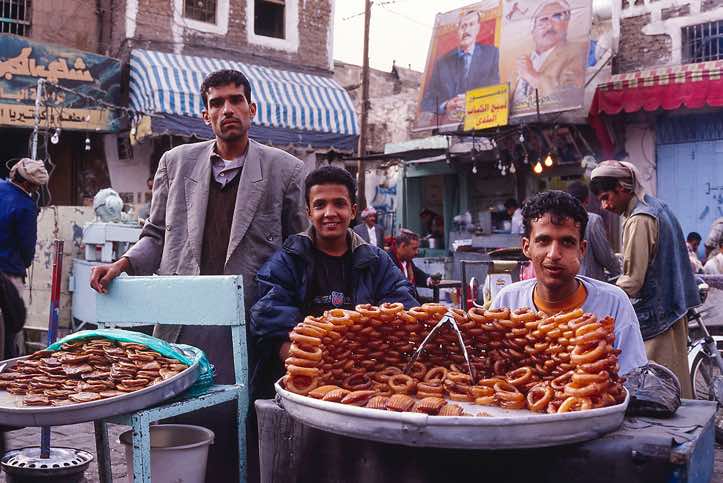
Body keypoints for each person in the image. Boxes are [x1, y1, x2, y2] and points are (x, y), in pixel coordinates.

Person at [89, 69, 308, 482]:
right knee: (178, 413)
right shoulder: (176, 163)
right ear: (204, 114)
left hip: (250, 322)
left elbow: (298, 251)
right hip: (184, 319)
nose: (228, 109)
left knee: (237, 422)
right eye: (217, 103)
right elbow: (154, 234)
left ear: (252, 109)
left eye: (236, 100)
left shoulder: (285, 171)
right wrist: (123, 264)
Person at [250, 166, 417, 399]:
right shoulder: (288, 260)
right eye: (320, 205)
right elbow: (269, 318)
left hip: (368, 380)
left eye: (339, 203)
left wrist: (359, 364)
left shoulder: (377, 261)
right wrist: (314, 369)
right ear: (308, 212)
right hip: (300, 386)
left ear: (353, 211)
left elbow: (403, 306)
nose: (330, 212)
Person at [491, 191, 647, 376]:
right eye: (543, 241)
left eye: (567, 242)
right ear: (527, 247)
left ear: (582, 249)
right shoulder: (507, 303)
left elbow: (632, 378)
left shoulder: (614, 303)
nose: (554, 254)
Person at [590, 160, 699, 397]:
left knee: (658, 391)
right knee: (677, 379)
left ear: (623, 188)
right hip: (673, 310)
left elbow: (632, 281)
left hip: (656, 318)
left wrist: (597, 295)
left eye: (606, 197)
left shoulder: (640, 219)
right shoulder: (658, 207)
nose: (605, 205)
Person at [0, 159, 48, 359]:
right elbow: (27, 247)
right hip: (9, 272)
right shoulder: (26, 206)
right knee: (12, 325)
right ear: (30, 185)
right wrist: (24, 264)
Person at [420, 8, 500, 115]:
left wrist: (474, 101)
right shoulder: (442, 62)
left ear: (478, 28)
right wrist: (446, 105)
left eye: (471, 24)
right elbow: (426, 102)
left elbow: (496, 91)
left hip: (481, 120)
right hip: (450, 124)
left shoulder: (491, 54)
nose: (466, 31)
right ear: (457, 31)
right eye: (463, 26)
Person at [511, 0, 587, 106]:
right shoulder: (523, 61)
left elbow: (570, 96)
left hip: (557, 120)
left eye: (557, 17)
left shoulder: (578, 51)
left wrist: (532, 75)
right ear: (532, 30)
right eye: (543, 19)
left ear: (566, 25)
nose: (550, 25)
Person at [566, 180, 621, 281]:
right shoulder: (592, 220)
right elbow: (605, 256)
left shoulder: (561, 222)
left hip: (568, 283)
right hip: (589, 283)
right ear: (587, 200)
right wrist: (618, 272)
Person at [390, 229, 440, 300]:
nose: (417, 252)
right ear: (402, 246)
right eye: (414, 248)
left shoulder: (407, 260)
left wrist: (430, 280)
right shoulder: (388, 261)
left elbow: (417, 273)